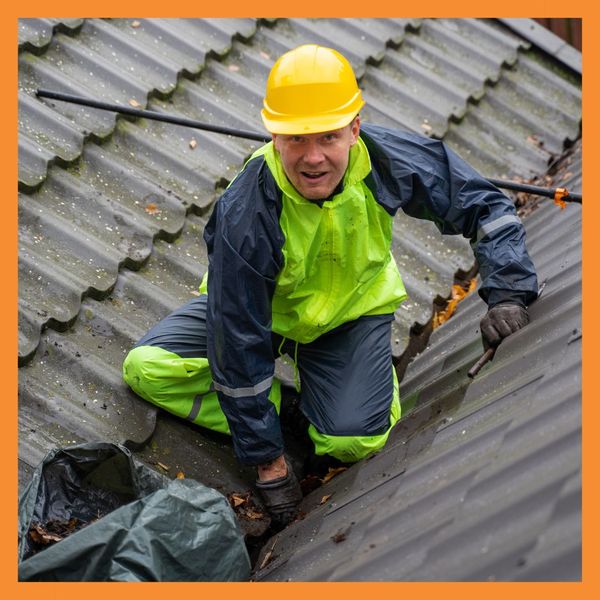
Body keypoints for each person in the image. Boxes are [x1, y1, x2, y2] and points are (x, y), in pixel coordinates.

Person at [123, 44, 537, 528]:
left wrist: (508, 289)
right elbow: (237, 334)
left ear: (355, 129)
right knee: (148, 368)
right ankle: (283, 418)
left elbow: (484, 205)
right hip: (261, 316)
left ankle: (337, 397)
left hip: (347, 316)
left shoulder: (385, 161)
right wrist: (267, 460)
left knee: (352, 440)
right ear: (274, 135)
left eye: (328, 137)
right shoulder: (247, 210)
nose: (313, 157)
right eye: (297, 139)